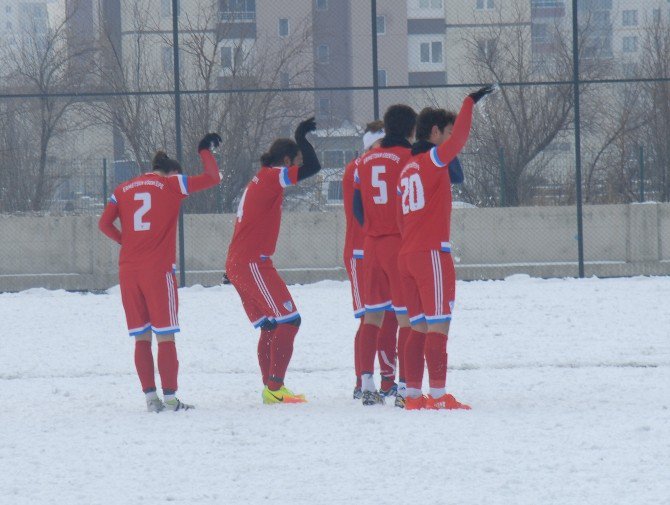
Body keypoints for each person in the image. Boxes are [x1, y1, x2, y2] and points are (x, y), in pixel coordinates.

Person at [98, 133, 223, 412]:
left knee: (141, 336)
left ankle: (150, 399)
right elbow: (214, 177)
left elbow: (105, 224)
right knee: (165, 334)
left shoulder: (123, 188)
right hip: (158, 270)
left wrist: (126, 241)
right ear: (174, 171)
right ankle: (170, 398)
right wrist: (204, 150)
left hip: (128, 270)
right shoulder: (171, 183)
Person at [396, 85, 496, 410]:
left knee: (417, 327)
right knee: (439, 325)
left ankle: (412, 396)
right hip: (431, 256)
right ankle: (438, 397)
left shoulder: (406, 170)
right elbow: (460, 140)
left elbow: (401, 217)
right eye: (447, 132)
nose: (451, 139)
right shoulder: (430, 160)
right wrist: (469, 101)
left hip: (407, 255)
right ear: (435, 132)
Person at [225, 117, 321, 405]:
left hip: (240, 262)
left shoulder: (259, 178)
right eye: (295, 161)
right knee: (290, 320)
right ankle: (275, 388)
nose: (296, 168)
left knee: (270, 325)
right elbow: (313, 168)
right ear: (287, 159)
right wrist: (302, 136)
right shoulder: (272, 174)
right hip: (253, 263)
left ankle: (271, 387)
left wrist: (231, 266)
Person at [353, 104, 417, 406]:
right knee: (406, 318)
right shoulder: (408, 157)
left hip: (372, 245)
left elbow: (357, 206)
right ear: (410, 130)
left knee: (372, 316)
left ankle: (367, 384)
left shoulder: (363, 161)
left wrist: (373, 226)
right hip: (397, 243)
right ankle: (404, 387)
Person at [343, 121, 399, 400]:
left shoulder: (366, 164)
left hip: (375, 247)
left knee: (387, 316)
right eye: (380, 143)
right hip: (361, 250)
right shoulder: (359, 166)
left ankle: (387, 380)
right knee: (370, 318)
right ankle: (361, 380)